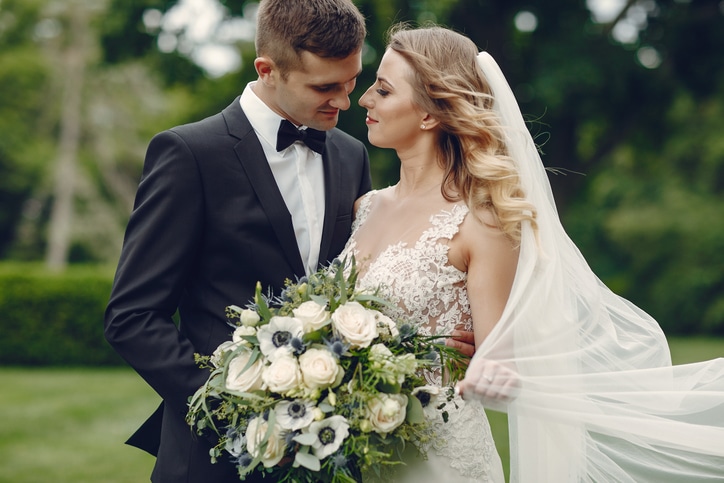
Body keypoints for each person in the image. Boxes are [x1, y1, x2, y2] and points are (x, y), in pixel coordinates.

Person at [344, 23, 724, 482]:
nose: (364, 100)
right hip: (356, 452)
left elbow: (499, 353)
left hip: (437, 457)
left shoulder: (480, 221)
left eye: (382, 91)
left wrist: (491, 368)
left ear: (428, 114)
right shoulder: (365, 208)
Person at [103, 1, 371, 481]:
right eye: (325, 87)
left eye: (351, 83)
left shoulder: (351, 156)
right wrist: (235, 405)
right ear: (268, 70)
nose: (344, 102)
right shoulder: (189, 154)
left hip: (327, 453)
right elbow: (132, 316)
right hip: (211, 458)